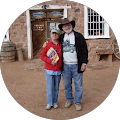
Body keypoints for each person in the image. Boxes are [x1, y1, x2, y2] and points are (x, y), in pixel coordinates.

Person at [43, 18, 88, 111]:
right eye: (64, 25)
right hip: (65, 66)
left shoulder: (79, 36)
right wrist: (46, 43)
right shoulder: (61, 37)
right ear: (62, 28)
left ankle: (78, 102)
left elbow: (84, 51)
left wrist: (84, 63)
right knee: (67, 85)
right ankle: (69, 100)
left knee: (78, 85)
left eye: (68, 25)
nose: (66, 26)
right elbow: (53, 40)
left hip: (77, 65)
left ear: (71, 25)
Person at [40, 29, 62, 110]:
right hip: (49, 69)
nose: (54, 35)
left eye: (56, 34)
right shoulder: (47, 44)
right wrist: (50, 61)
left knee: (56, 88)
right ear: (50, 35)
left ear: (58, 35)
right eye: (53, 33)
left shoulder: (61, 44)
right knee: (49, 88)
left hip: (58, 70)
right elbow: (42, 56)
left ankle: (55, 102)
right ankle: (49, 103)